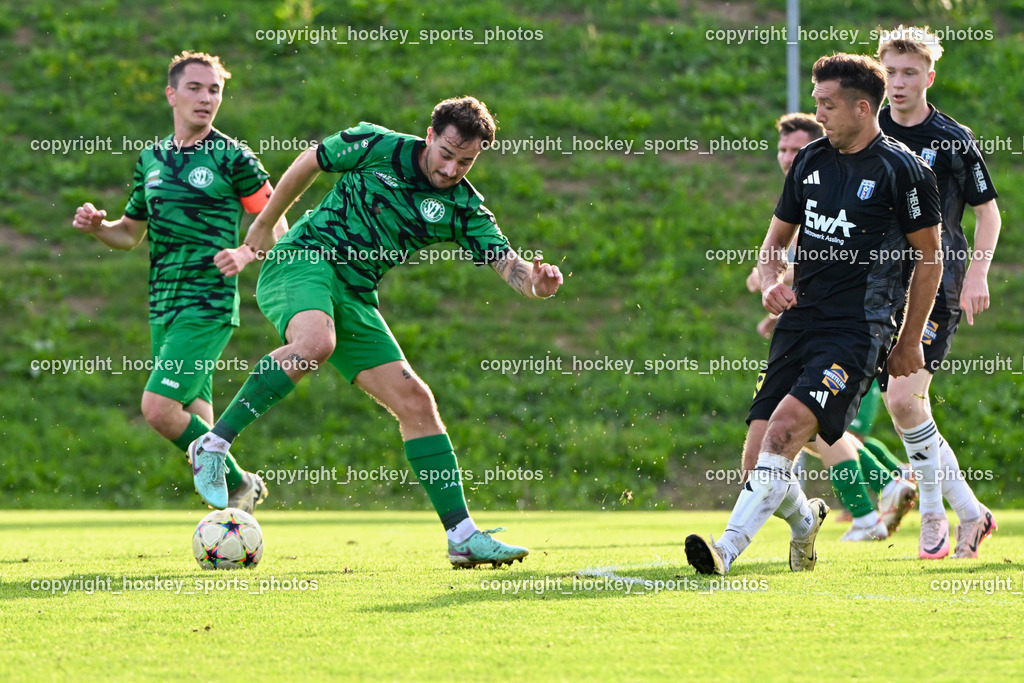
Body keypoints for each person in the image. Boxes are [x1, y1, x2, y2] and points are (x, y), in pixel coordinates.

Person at [187, 96, 564, 568]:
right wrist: (263, 223)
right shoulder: (376, 144)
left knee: (417, 403)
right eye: (446, 154)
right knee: (317, 344)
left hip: (354, 293)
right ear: (429, 136)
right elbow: (311, 160)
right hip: (303, 259)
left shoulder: (464, 208)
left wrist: (537, 283)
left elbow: (510, 266)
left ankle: (462, 537)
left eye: (466, 161)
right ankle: (213, 444)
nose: (451, 169)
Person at [686, 53, 942, 575]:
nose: (818, 114)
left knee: (785, 429)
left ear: (862, 107)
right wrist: (773, 280)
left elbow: (930, 260)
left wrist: (910, 340)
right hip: (799, 322)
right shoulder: (811, 160)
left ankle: (726, 549)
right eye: (817, 103)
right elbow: (775, 240)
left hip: (856, 330)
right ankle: (806, 523)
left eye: (827, 105)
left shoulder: (904, 172)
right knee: (757, 460)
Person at [72, 51, 287, 514]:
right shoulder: (151, 159)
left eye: (214, 90)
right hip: (162, 307)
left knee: (158, 408)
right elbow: (130, 233)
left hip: (206, 304)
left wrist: (247, 251)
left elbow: (278, 226)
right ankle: (229, 518)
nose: (206, 99)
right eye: (195, 88)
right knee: (194, 420)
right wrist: (98, 227)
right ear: (171, 94)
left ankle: (240, 482)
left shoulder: (233, 157)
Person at [746, 114, 918, 542]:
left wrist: (776, 282)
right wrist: (775, 288)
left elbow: (843, 256)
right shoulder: (807, 187)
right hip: (808, 329)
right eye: (783, 150)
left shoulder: (857, 178)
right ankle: (887, 480)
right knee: (786, 440)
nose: (789, 157)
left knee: (820, 432)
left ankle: (866, 515)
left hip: (852, 333)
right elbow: (803, 256)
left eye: (796, 148)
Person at [876, 26, 1002, 559]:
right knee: (904, 406)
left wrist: (978, 273)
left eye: (909, 73)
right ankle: (971, 514)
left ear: (929, 76)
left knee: (904, 397)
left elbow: (988, 214)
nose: (898, 83)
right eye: (890, 72)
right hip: (878, 287)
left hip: (937, 282)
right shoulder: (868, 126)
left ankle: (934, 514)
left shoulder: (952, 138)